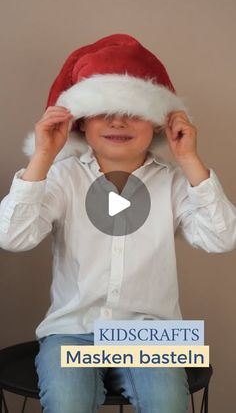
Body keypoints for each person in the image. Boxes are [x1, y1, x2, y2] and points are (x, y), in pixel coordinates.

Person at [0, 33, 236, 413]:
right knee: (67, 401)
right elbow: (13, 237)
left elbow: (223, 237)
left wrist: (190, 159)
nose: (118, 121)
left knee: (167, 401)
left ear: (159, 122)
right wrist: (43, 156)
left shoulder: (173, 182)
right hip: (72, 332)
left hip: (149, 334)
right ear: (81, 121)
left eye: (134, 110)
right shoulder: (62, 178)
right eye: (103, 109)